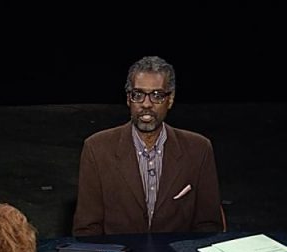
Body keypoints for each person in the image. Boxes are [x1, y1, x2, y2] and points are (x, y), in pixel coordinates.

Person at [72, 55, 223, 236]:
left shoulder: (198, 149)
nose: (146, 104)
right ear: (129, 99)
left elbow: (209, 227)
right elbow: (86, 230)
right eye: (138, 95)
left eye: (157, 96)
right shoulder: (97, 149)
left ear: (170, 99)